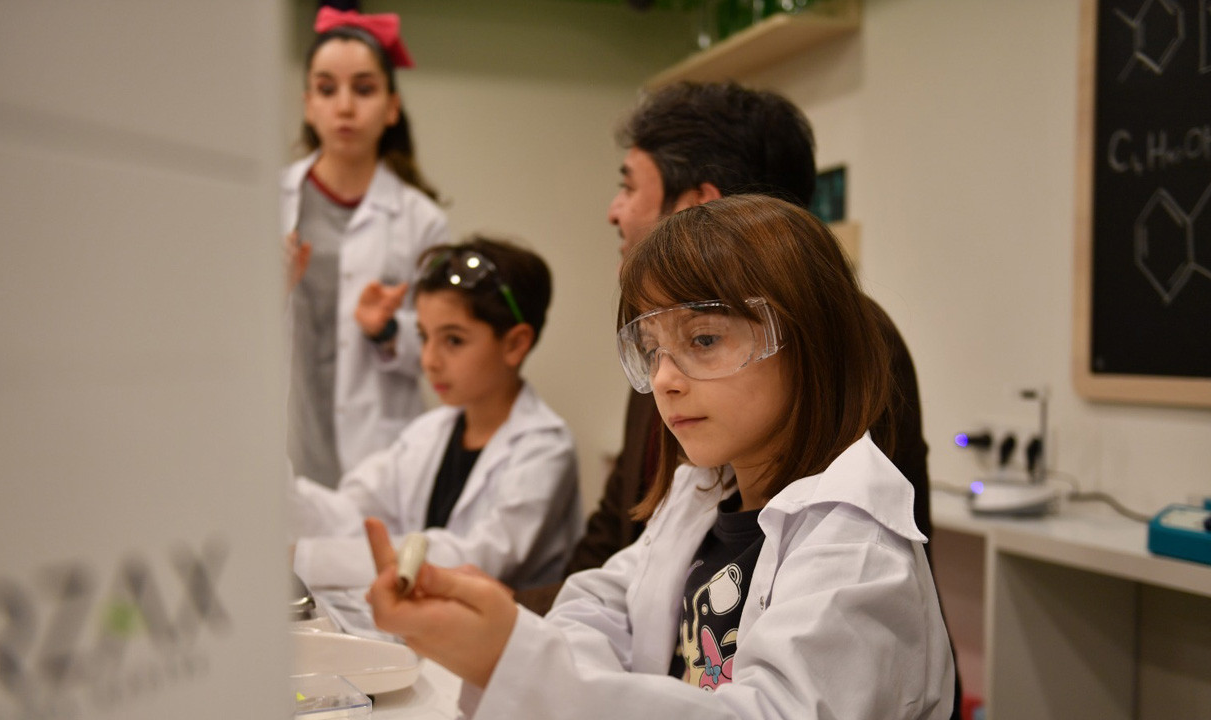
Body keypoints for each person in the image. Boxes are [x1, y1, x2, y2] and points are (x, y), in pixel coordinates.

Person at [365, 196, 956, 719]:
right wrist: (528, 657)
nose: (664, 379)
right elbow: (599, 605)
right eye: (651, 350)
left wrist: (518, 665)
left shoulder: (855, 549)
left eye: (704, 339)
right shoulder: (699, 497)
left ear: (807, 341)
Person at [514, 80, 931, 614]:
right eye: (652, 350)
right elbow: (618, 546)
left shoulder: (851, 342)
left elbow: (827, 606)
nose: (615, 211)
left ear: (698, 205)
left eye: (630, 187)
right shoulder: (671, 351)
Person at [291, 237, 581, 593]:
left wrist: (307, 558)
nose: (429, 360)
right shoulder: (429, 432)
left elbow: (476, 558)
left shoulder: (545, 448)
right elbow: (353, 513)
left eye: (453, 340)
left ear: (515, 344)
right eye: (424, 336)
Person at [282, 5, 450, 488]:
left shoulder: (422, 220)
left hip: (380, 455)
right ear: (308, 104)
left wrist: (388, 331)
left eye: (364, 88)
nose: (345, 107)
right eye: (326, 89)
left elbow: (444, 350)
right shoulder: (268, 202)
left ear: (392, 107)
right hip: (285, 441)